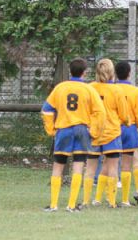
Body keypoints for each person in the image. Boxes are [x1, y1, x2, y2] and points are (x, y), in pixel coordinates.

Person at [40, 58, 106, 212]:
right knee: (78, 166)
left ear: (70, 71)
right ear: (85, 72)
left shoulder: (60, 88)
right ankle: (71, 205)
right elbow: (100, 112)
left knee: (58, 166)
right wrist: (94, 131)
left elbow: (47, 110)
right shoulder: (89, 89)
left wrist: (51, 130)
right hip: (82, 129)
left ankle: (54, 205)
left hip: (63, 130)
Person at [84, 59, 129, 208]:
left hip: (93, 133)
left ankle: (86, 201)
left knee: (90, 168)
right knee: (112, 168)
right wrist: (127, 122)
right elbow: (124, 114)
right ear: (112, 73)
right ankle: (111, 201)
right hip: (112, 133)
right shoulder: (117, 90)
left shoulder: (90, 88)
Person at [114, 61, 138, 206]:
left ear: (115, 73)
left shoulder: (112, 89)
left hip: (113, 128)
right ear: (129, 73)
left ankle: (110, 196)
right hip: (130, 128)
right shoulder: (135, 91)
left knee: (111, 162)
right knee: (134, 159)